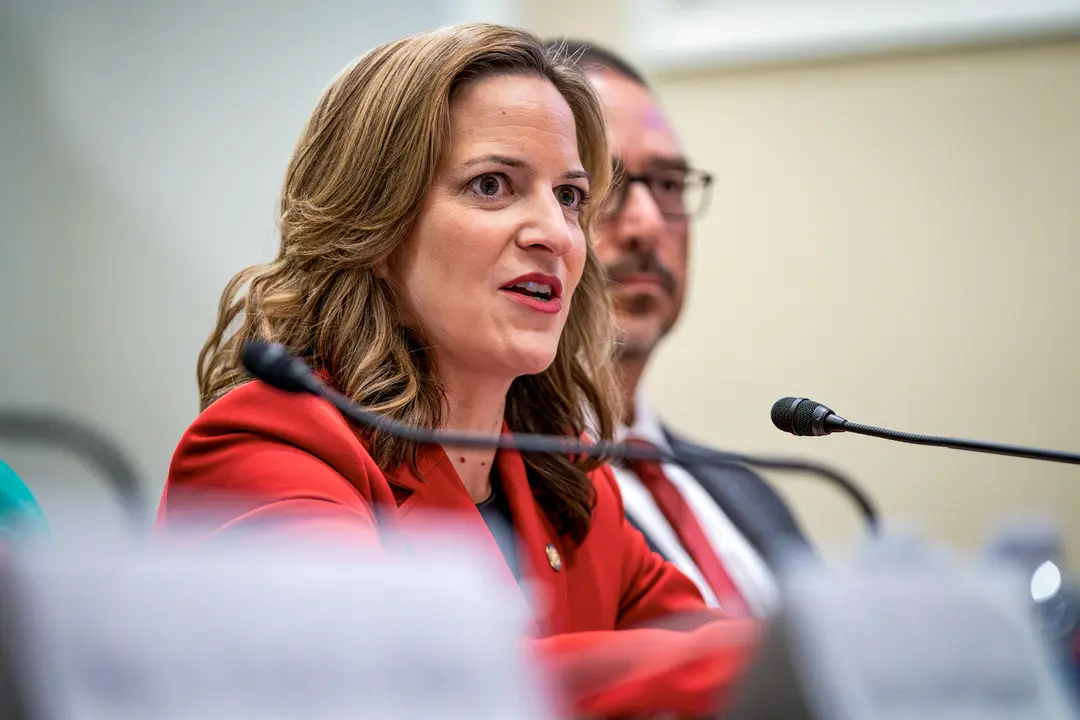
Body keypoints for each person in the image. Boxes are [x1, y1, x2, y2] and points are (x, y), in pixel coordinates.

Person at [158, 23, 759, 718]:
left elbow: (711, 652)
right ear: (376, 225)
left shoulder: (567, 485)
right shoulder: (267, 449)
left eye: (568, 196)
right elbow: (404, 686)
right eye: (494, 185)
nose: (556, 234)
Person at [547, 39, 810, 617]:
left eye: (667, 184)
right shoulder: (505, 482)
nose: (645, 225)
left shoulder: (750, 491)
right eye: (605, 183)